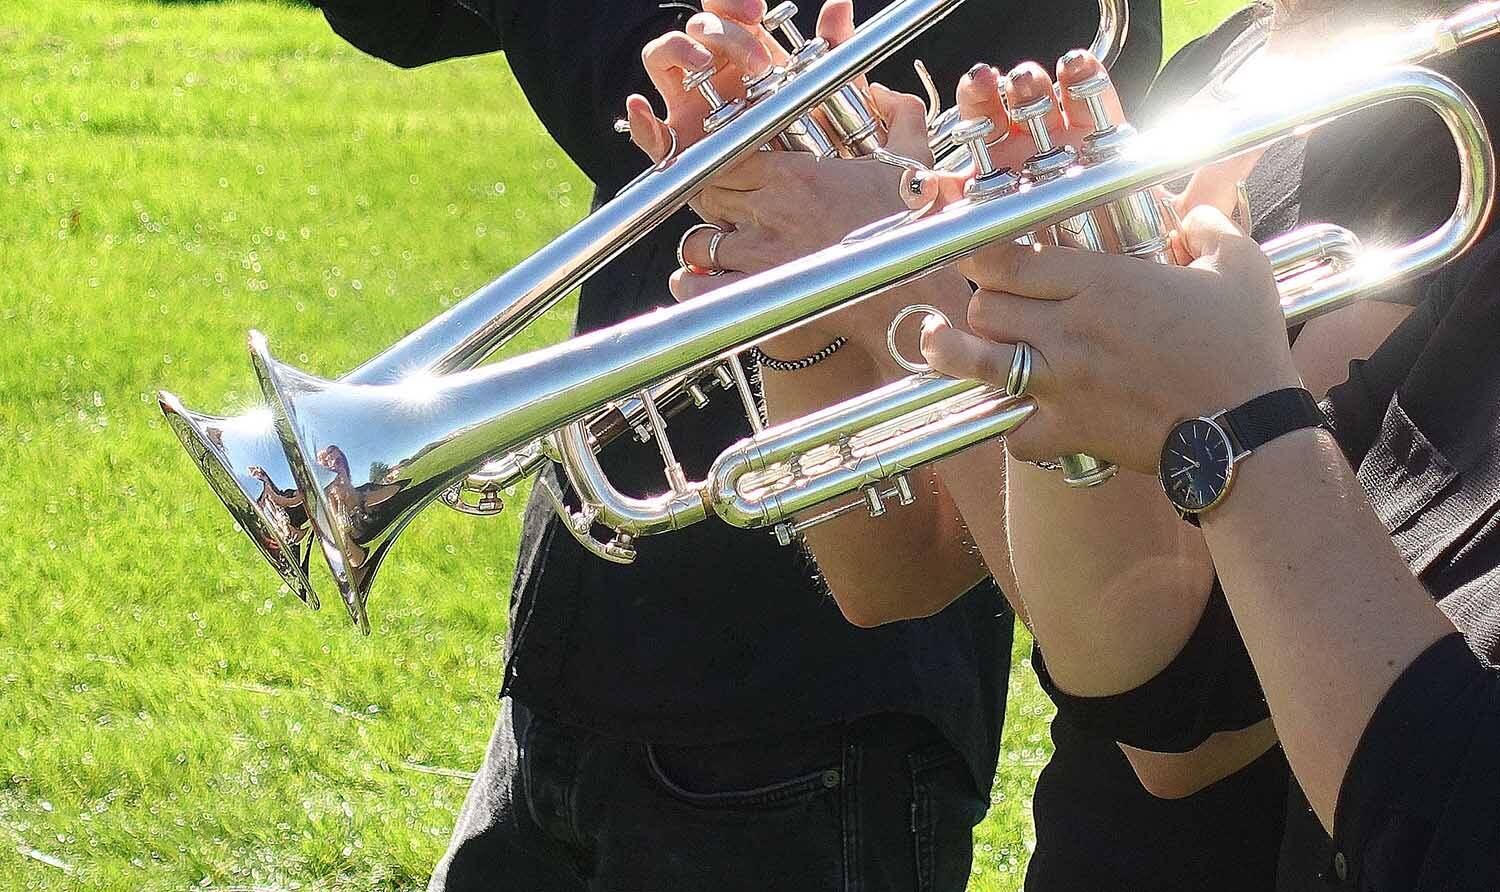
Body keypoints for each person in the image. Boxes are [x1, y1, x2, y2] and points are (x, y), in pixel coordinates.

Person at [307, 1, 1164, 889]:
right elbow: (394, 22)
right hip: (589, 621)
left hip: (809, 701)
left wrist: (764, 129)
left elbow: (635, 87)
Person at [670, 1, 1500, 888]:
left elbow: (1190, 727)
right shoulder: (1222, 60)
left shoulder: (1459, 111)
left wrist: (904, 276)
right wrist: (802, 278)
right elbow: (892, 574)